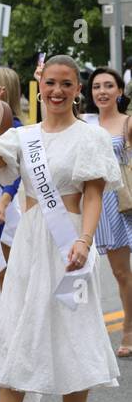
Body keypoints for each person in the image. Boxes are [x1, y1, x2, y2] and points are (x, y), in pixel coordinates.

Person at [0, 58, 123, 402]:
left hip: (69, 242)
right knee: (16, 333)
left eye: (66, 84)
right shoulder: (23, 137)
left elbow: (94, 194)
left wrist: (84, 241)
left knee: (70, 337)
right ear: (39, 87)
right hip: (29, 244)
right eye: (50, 83)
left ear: (78, 88)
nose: (57, 91)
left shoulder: (90, 136)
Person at [81, 67, 132, 358]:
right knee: (119, 271)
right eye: (96, 86)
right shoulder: (85, 124)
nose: (101, 91)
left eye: (108, 85)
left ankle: (128, 329)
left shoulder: (128, 123)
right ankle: (128, 325)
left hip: (127, 199)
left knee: (124, 272)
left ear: (119, 91)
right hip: (102, 204)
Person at [0, 67, 25, 280]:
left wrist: (3, 201)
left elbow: (16, 172)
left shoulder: (15, 128)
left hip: (3, 205)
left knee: (4, 274)